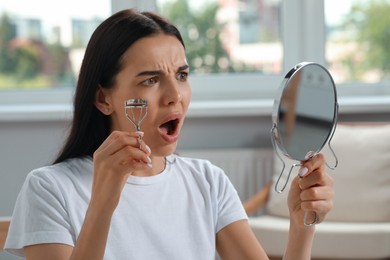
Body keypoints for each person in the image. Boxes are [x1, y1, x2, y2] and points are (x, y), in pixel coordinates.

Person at [4, 9, 334, 260]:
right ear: (104, 98)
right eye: (150, 79)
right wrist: (102, 205)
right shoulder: (49, 189)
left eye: (181, 74)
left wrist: (301, 224)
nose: (174, 94)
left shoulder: (208, 182)